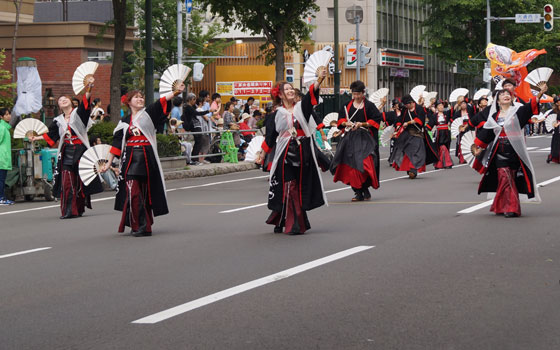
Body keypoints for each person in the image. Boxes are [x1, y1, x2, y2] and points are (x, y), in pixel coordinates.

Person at [101, 83, 186, 236]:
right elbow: (116, 143)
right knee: (132, 191)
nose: (140, 99)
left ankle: (143, 223)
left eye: (141, 97)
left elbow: (159, 103)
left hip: (147, 157)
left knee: (145, 193)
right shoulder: (123, 122)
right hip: (130, 158)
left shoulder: (148, 113)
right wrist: (108, 163)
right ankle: (140, 224)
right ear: (128, 101)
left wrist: (175, 92)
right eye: (136, 97)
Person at [261, 69, 329, 235]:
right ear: (280, 95)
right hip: (285, 153)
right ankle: (295, 224)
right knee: (289, 186)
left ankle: (282, 218)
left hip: (303, 151)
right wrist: (262, 155)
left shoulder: (301, 108)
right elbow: (270, 137)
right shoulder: (276, 114)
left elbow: (310, 98)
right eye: (287, 89)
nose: (291, 90)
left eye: (292, 88)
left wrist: (319, 80)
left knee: (299, 187)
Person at [472, 83, 547, 218]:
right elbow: (487, 133)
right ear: (497, 100)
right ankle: (510, 207)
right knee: (504, 177)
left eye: (508, 94)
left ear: (512, 98)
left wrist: (540, 93)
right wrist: (477, 147)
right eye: (502, 94)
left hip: (514, 151)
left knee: (508, 178)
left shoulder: (518, 113)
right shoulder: (494, 116)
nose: (506, 95)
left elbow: (530, 107)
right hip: (499, 152)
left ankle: (501, 205)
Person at [32, 77, 103, 218]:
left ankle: (79, 207)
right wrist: (36, 137)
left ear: (71, 102)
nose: (62, 100)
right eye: (60, 100)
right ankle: (69, 211)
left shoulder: (79, 114)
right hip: (66, 151)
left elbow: (85, 103)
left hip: (81, 151)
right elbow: (51, 135)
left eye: (65, 98)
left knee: (80, 181)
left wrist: (89, 87)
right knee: (66, 182)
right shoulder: (58, 120)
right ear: (58, 105)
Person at [330, 80, 384, 201]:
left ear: (363, 93)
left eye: (358, 94)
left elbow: (376, 120)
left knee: (365, 164)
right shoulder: (346, 106)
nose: (356, 96)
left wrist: (363, 124)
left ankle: (364, 188)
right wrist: (345, 123)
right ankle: (358, 191)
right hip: (351, 140)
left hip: (365, 140)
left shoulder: (369, 106)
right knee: (352, 166)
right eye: (354, 94)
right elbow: (340, 120)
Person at [389, 94, 439, 179]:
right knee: (404, 150)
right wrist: (398, 126)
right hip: (407, 133)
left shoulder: (419, 109)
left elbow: (420, 121)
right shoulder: (405, 109)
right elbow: (400, 119)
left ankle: (413, 169)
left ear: (411, 102)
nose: (406, 106)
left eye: (407, 104)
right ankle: (408, 167)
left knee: (416, 151)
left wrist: (408, 122)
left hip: (417, 134)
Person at [184, 94, 213, 165]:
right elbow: (197, 113)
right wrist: (208, 111)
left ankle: (195, 159)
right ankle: (194, 159)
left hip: (196, 126)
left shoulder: (191, 107)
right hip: (194, 126)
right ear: (189, 100)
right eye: (193, 99)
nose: (195, 101)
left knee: (198, 143)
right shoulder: (188, 107)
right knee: (198, 142)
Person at [428, 100, 453, 169]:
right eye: (439, 106)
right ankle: (445, 163)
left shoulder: (446, 113)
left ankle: (442, 163)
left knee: (446, 147)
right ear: (436, 108)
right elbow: (429, 125)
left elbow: (452, 113)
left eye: (442, 105)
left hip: (446, 133)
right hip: (439, 134)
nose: (441, 107)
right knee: (442, 148)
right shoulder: (434, 116)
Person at [0, 108, 14, 205]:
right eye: (6, 114)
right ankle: (1, 198)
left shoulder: (5, 127)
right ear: (1, 117)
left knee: (2, 179)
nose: (9, 116)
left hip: (3, 157)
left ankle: (2, 197)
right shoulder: (2, 127)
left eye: (9, 114)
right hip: (1, 158)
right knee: (1, 179)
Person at [547, 96, 560, 164]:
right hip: (557, 129)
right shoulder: (554, 111)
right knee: (557, 143)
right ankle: (553, 156)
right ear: (557, 103)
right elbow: (548, 117)